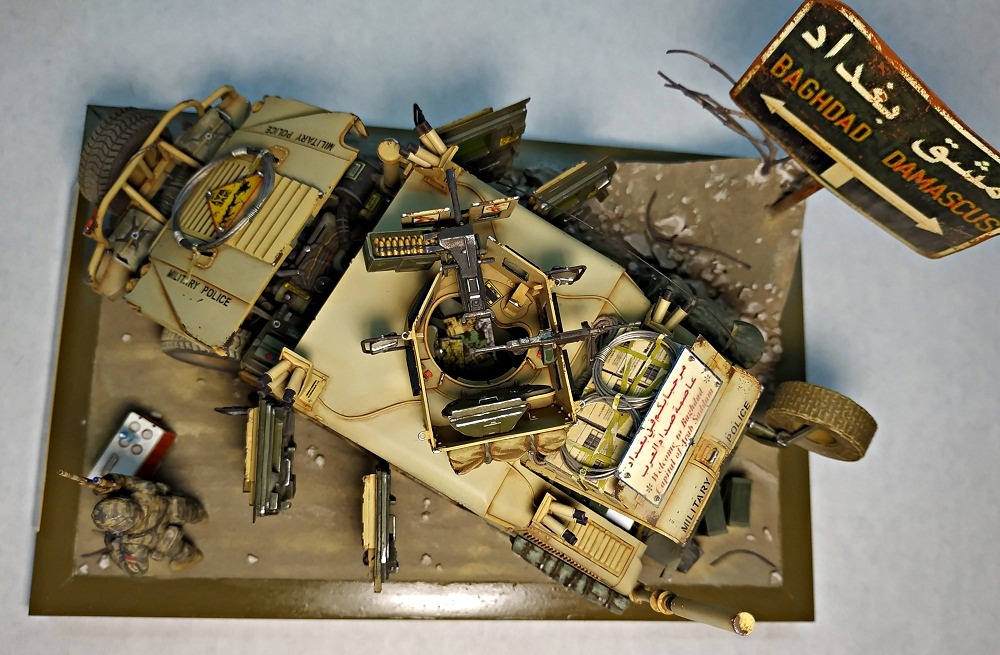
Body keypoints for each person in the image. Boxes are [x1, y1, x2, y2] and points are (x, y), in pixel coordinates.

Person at [90, 474, 207, 576]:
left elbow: (137, 570)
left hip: (161, 537)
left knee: (169, 546)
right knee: (182, 507)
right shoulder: (145, 493)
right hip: (170, 509)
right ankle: (200, 514)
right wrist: (113, 480)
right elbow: (128, 481)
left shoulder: (132, 544)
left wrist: (113, 548)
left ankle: (192, 558)